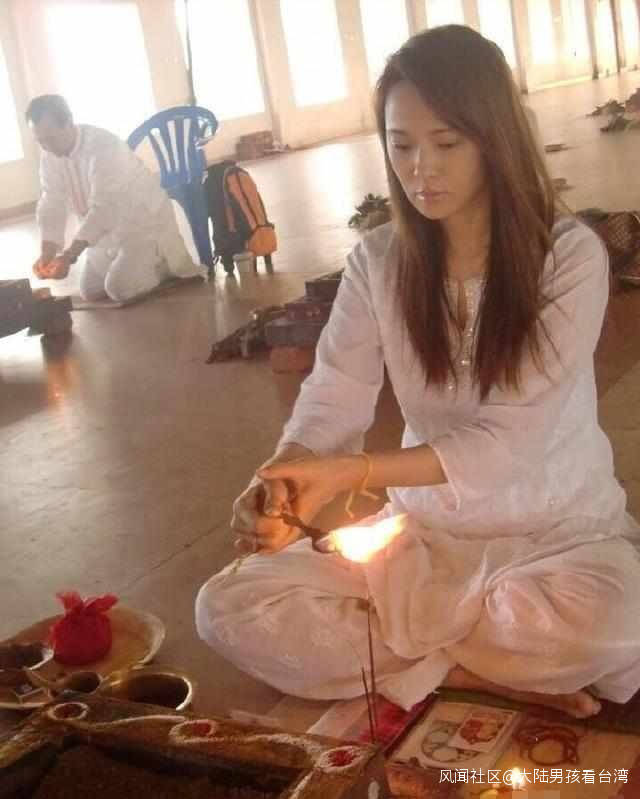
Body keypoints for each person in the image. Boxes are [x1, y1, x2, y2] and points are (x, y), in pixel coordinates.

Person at [196, 26, 640, 719]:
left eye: (446, 144)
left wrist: (348, 475)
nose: (420, 169)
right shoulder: (379, 261)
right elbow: (335, 392)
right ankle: (474, 669)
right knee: (227, 604)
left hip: (554, 533)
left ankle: (428, 660)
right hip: (423, 538)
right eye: (401, 145)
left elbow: (509, 442)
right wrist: (286, 478)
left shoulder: (566, 257)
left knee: (615, 624)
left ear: (493, 139)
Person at [26, 95, 199, 303]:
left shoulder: (104, 147)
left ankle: (163, 266)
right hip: (104, 238)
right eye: (40, 141)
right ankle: (132, 268)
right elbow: (51, 201)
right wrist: (48, 251)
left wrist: (69, 255)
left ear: (69, 122)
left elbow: (104, 209)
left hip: (142, 229)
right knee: (90, 292)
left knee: (120, 290)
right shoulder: (49, 155)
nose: (46, 146)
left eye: (51, 138)